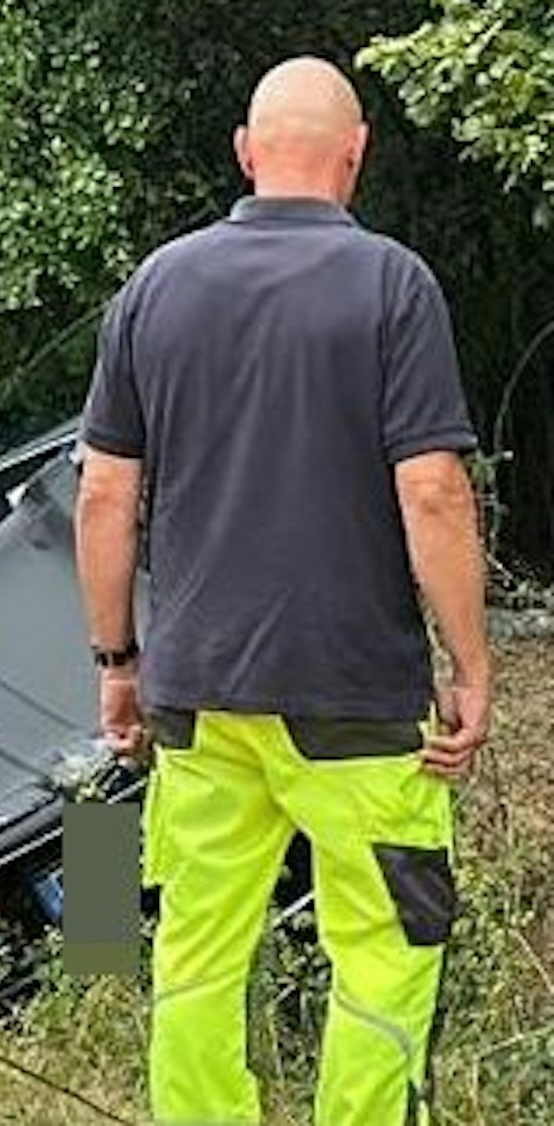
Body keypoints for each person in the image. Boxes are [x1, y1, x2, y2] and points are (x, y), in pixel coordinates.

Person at [75, 57, 490, 1126]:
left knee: (197, 947)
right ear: (353, 156)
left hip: (197, 694)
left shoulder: (153, 286)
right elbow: (433, 491)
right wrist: (469, 667)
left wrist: (116, 665)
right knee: (383, 947)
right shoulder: (392, 285)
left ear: (243, 152)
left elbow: (103, 496)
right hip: (354, 698)